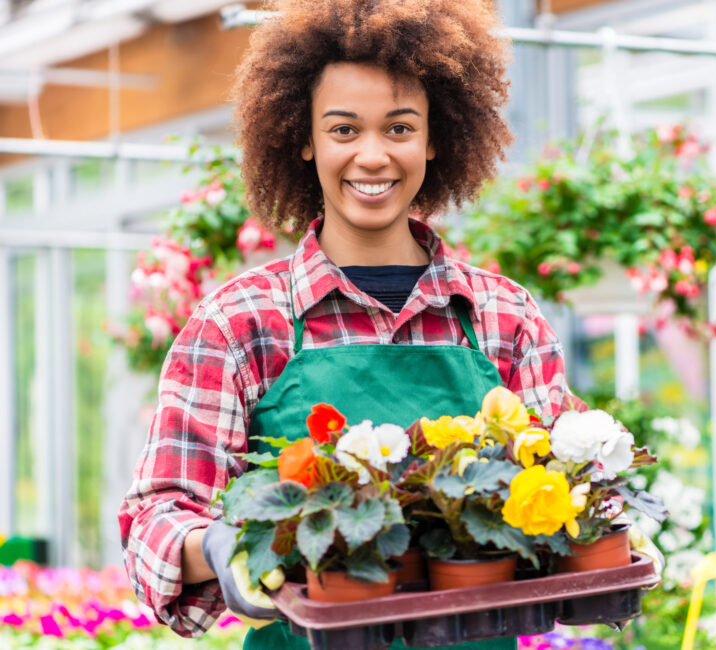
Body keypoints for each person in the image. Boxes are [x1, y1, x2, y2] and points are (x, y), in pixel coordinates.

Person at [119, 1, 659, 649]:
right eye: (343, 130)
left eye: (399, 128)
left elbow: (562, 492)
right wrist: (215, 541)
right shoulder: (239, 323)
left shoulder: (504, 318)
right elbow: (155, 513)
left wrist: (604, 520)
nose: (372, 156)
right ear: (304, 136)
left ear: (435, 138)